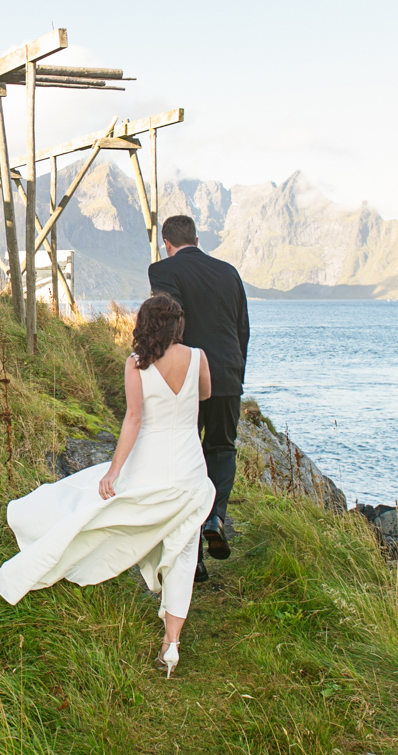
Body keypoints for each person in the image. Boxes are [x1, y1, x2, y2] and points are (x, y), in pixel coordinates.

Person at [0, 295, 213, 677]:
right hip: (190, 471)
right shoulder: (199, 357)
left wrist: (113, 471)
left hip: (150, 466)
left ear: (145, 326)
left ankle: (50, 548)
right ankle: (171, 645)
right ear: (177, 325)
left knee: (94, 508)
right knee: (183, 549)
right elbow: (205, 394)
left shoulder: (137, 365)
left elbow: (133, 420)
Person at [146, 215, 249, 570]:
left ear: (167, 243)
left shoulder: (162, 271)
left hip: (187, 376)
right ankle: (215, 518)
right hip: (226, 374)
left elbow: (168, 325)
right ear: (197, 238)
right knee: (221, 449)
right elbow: (242, 330)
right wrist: (235, 375)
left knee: (184, 459)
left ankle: (193, 557)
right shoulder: (229, 272)